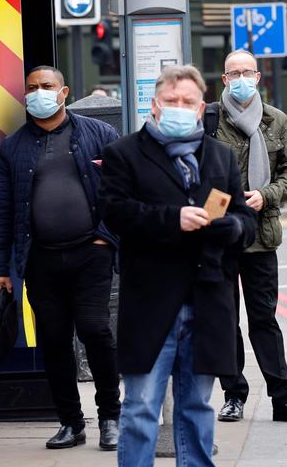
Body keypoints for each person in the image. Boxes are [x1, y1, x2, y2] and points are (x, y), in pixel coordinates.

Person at [99, 65, 256, 466]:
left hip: (207, 300)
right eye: (172, 101)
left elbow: (245, 220)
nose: (180, 108)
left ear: (201, 106)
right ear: (155, 105)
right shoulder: (125, 153)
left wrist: (231, 227)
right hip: (150, 302)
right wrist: (174, 218)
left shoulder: (219, 155)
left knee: (197, 408)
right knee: (141, 409)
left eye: (188, 102)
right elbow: (114, 211)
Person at [0, 65, 121, 451]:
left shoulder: (100, 134)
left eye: (46, 86)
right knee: (55, 341)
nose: (38, 93)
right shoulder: (13, 146)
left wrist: (106, 239)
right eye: (31, 88)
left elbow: (121, 191)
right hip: (40, 261)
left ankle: (111, 417)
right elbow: (2, 210)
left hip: (90, 255)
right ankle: (70, 422)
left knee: (96, 330)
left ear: (63, 93)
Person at [201, 50, 287, 423]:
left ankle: (281, 395)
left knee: (264, 319)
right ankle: (233, 394)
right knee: (224, 319)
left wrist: (265, 195)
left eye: (246, 72)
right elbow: (198, 172)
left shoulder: (276, 121)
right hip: (220, 234)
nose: (239, 79)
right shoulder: (208, 119)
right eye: (232, 73)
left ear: (257, 77)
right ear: (223, 79)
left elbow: (286, 174)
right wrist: (224, 204)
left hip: (261, 234)